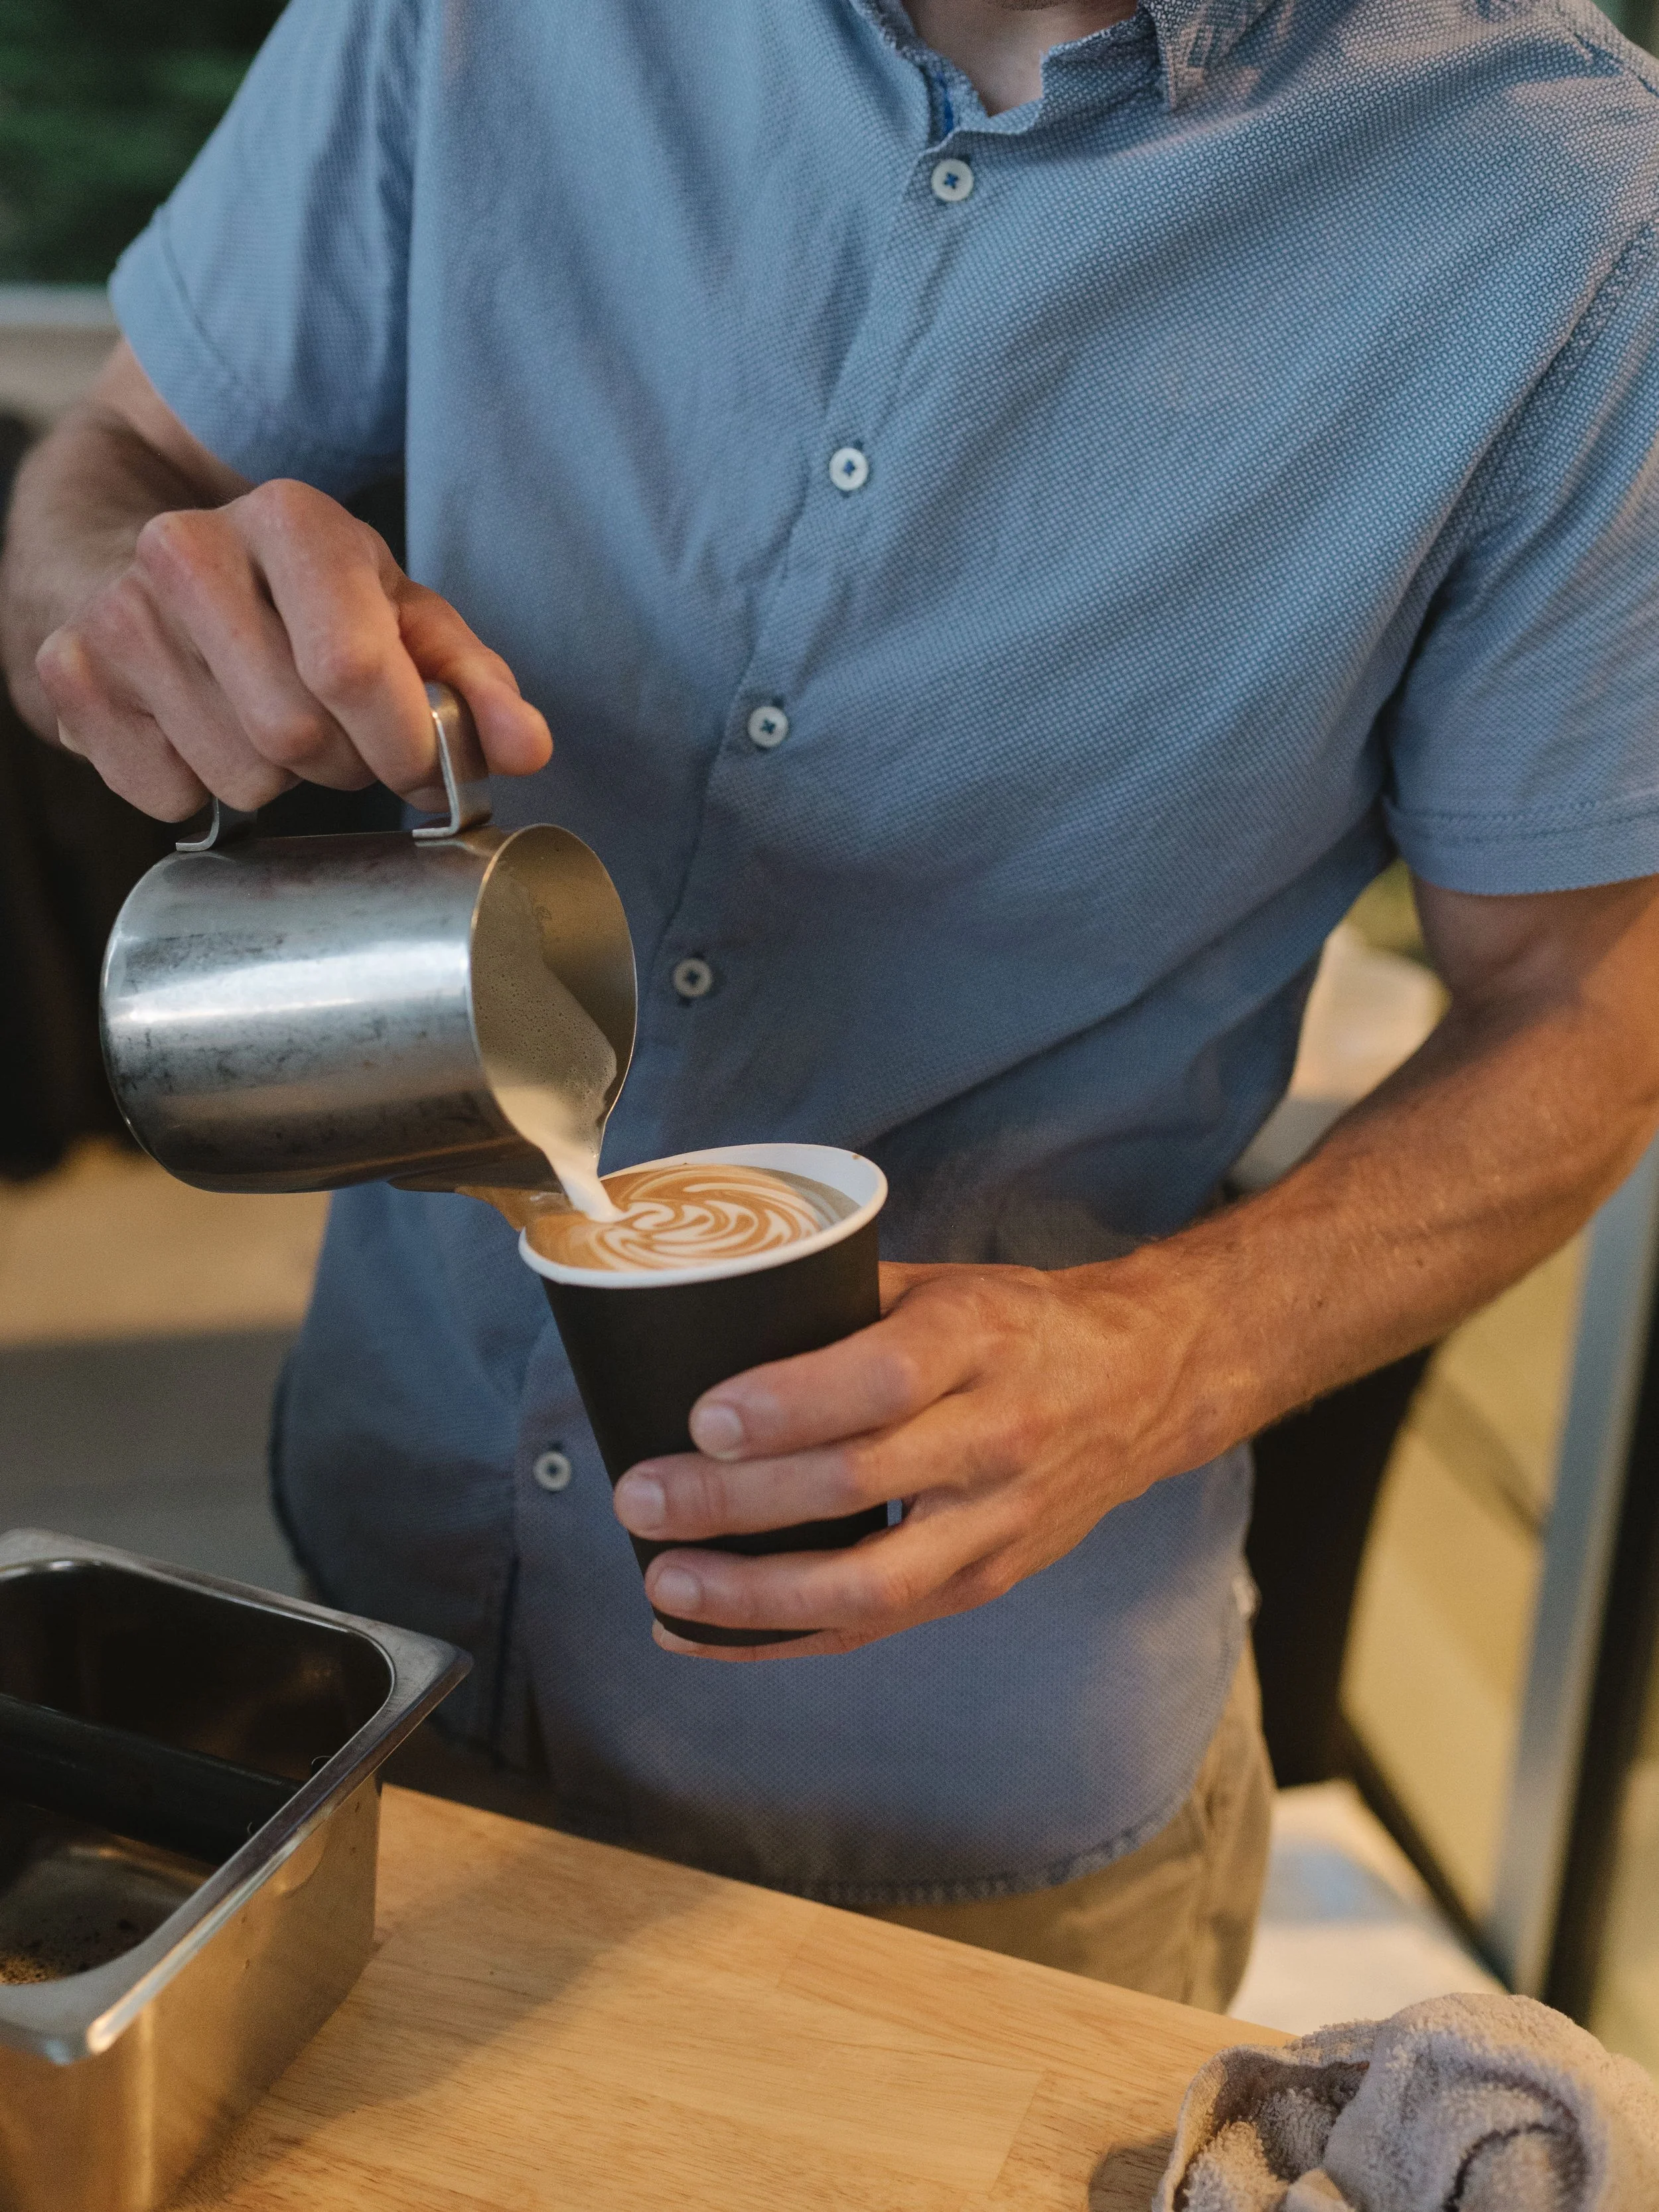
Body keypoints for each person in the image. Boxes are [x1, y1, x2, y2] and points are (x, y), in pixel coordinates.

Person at [6, 0, 1659, 2014]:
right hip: (359, 1655)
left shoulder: (1560, 212)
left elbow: (1587, 1005)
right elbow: (121, 464)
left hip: (964, 1790)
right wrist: (137, 597)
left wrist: (1169, 1351)